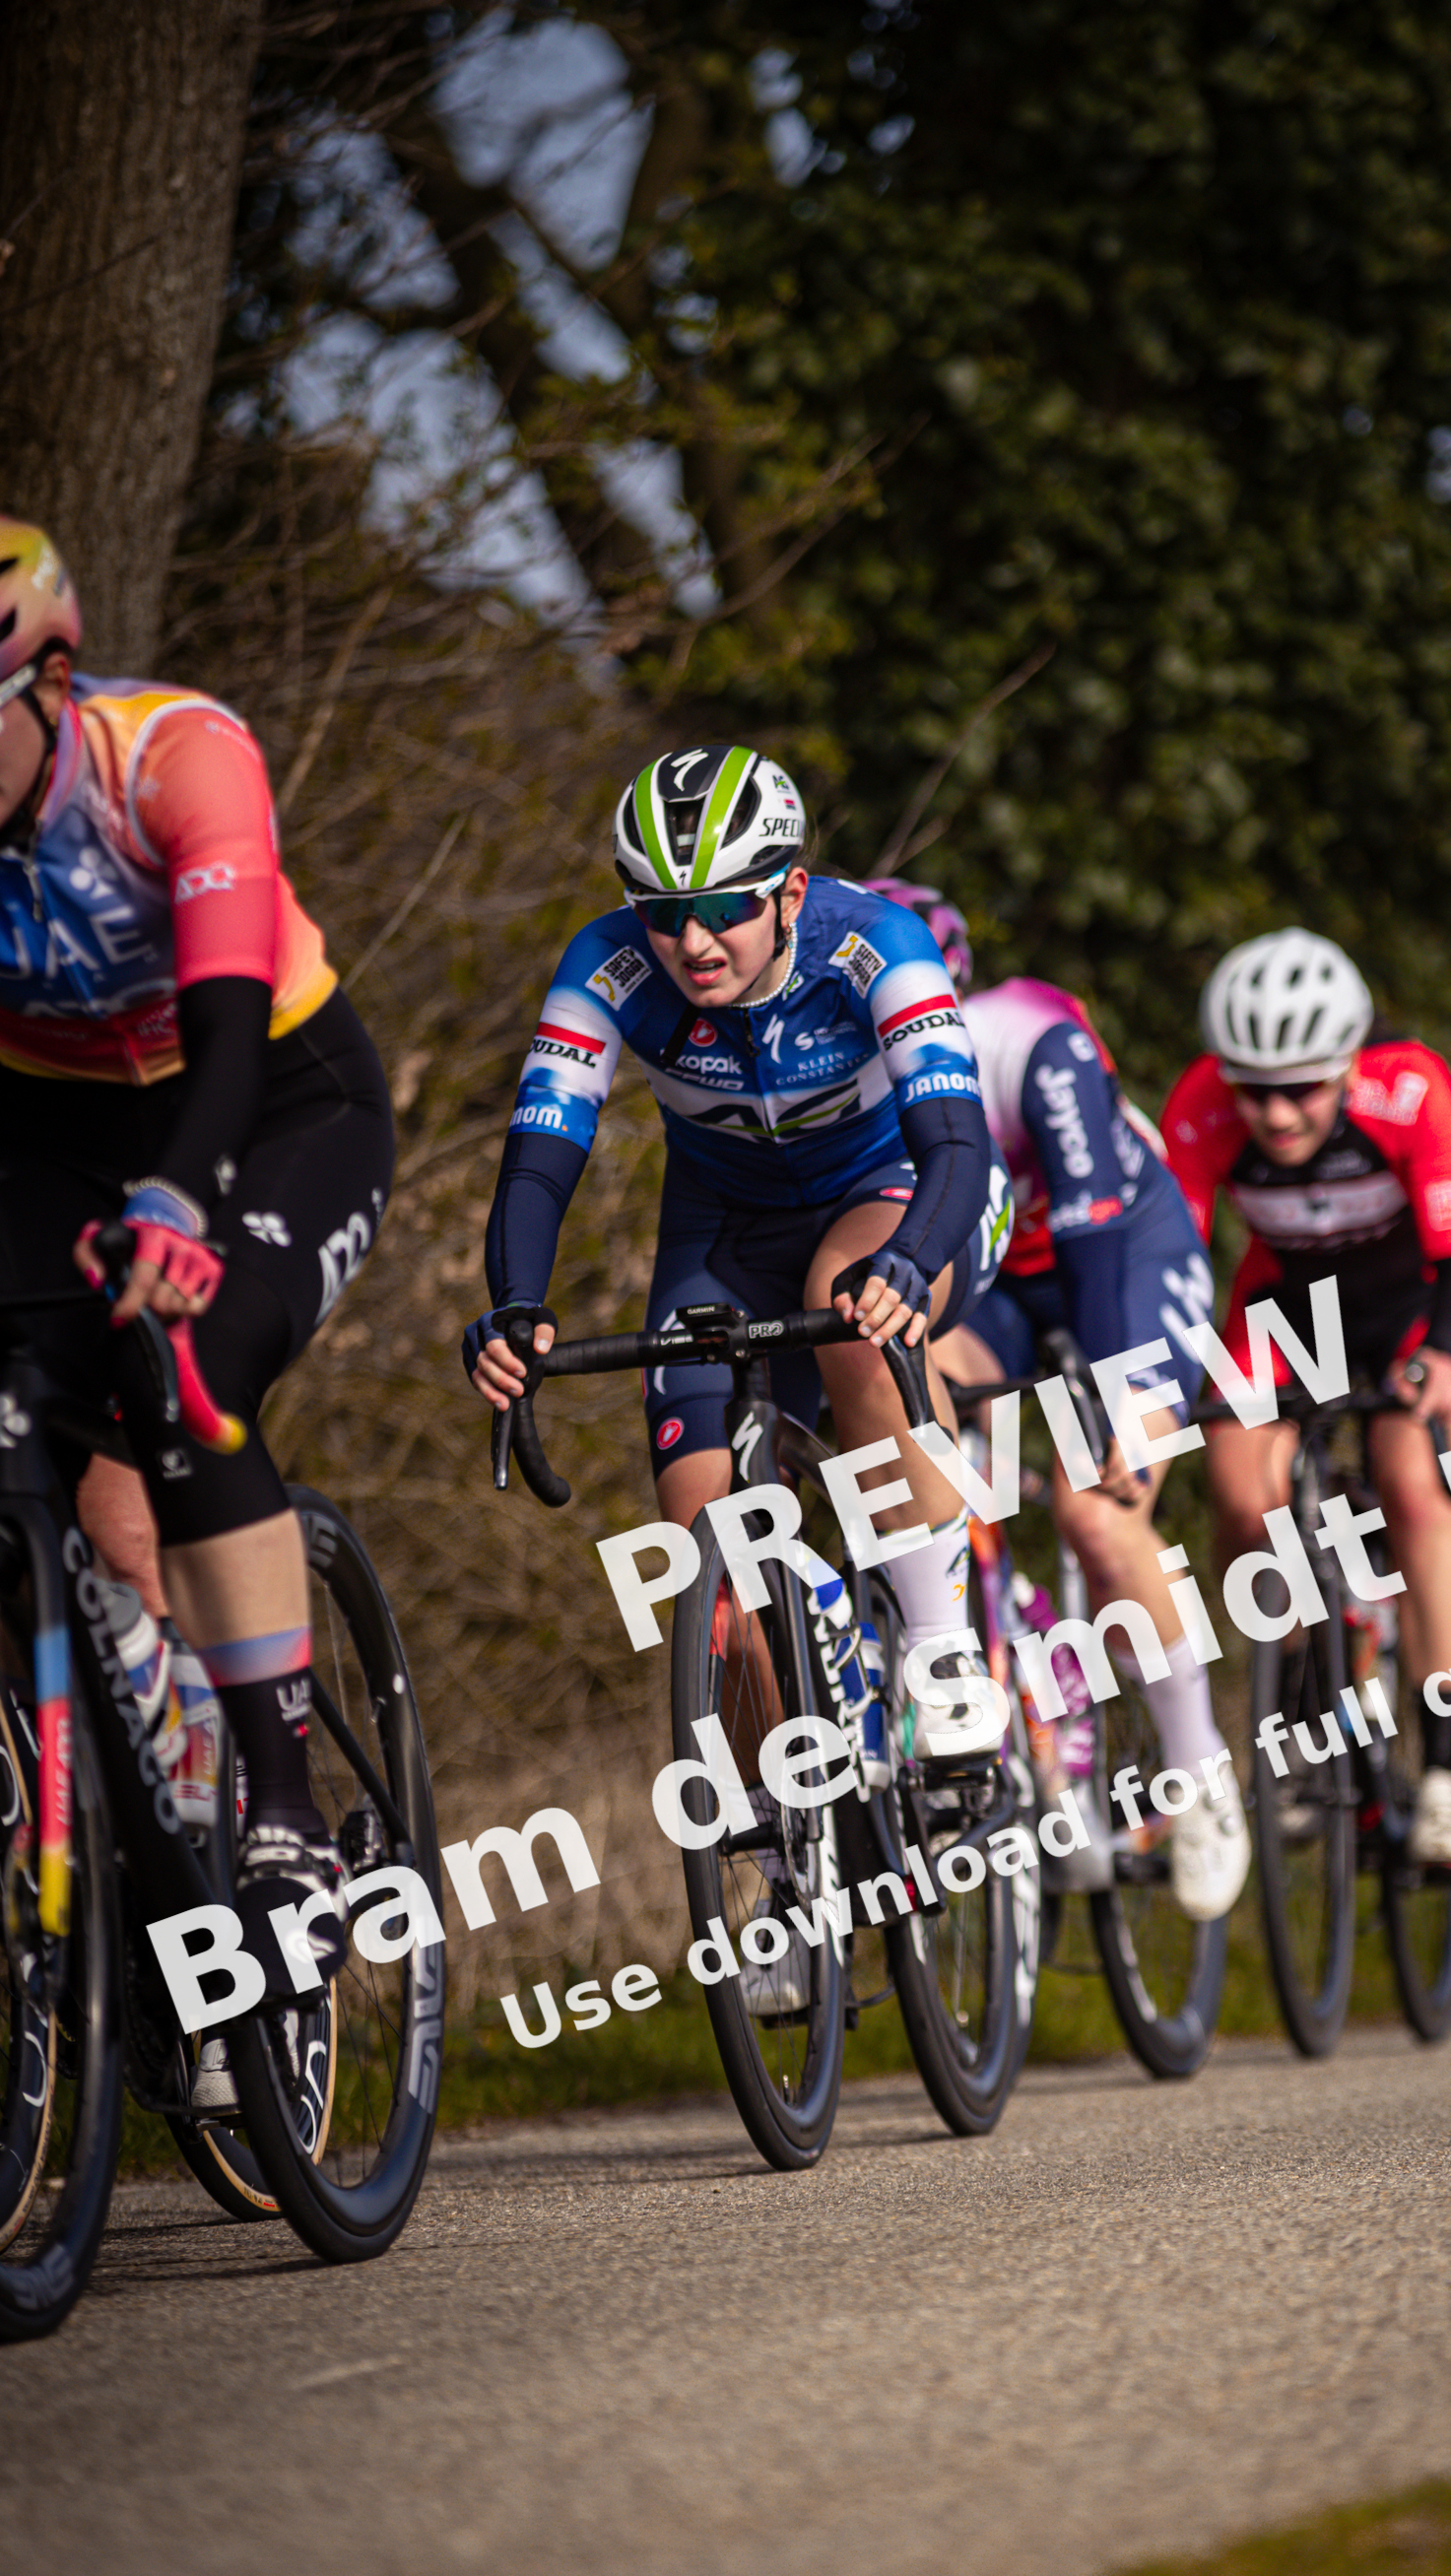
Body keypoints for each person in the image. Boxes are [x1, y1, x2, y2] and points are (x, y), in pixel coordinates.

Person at [0, 517, 396, 2084]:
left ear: (47, 679)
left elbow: (228, 1022)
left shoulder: (174, 759)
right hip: (48, 1117)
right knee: (82, 1499)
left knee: (182, 1363)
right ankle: (143, 1832)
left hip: (271, 1093)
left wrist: (174, 1201)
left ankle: (286, 1818)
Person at [466, 755, 1010, 1753]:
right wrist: (513, 1304)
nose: (692, 940)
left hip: (896, 1189)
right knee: (703, 1546)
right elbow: (541, 1153)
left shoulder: (876, 945)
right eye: (662, 911)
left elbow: (956, 1143)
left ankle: (941, 1655)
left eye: (723, 906)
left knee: (851, 1309)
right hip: (723, 1227)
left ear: (790, 889)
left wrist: (906, 1259)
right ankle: (795, 1820)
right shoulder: (607, 965)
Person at [870, 884, 1248, 1924]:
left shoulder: (1029, 1038)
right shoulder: (844, 1088)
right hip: (993, 1280)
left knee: (1095, 1507)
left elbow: (1086, 1231)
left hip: (1123, 1255)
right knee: (913, 1408)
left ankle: (1197, 1770)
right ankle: (991, 1638)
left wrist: (1110, 1411)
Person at [1161, 930, 1451, 1870]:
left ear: (1349, 1065)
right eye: (1254, 1089)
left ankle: (1449, 1771)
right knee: (1236, 1485)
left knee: (1414, 1476)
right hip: (1286, 1308)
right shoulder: (1200, 1103)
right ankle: (1310, 1695)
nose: (1274, 1113)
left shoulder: (1411, 1087)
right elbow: (1175, 1263)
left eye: (1303, 1087)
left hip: (1419, 1306)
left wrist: (1438, 1362)